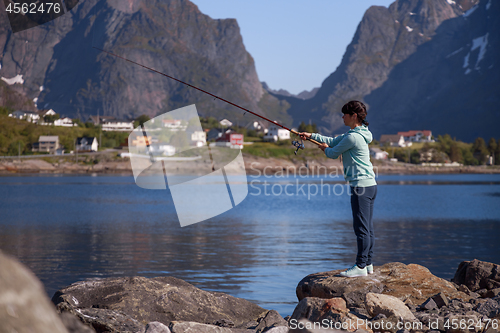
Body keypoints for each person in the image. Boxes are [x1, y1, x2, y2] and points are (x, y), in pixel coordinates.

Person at [299, 101, 377, 278]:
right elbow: (333, 141)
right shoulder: (360, 133)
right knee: (368, 227)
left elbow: (333, 152)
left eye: (345, 114)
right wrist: (311, 135)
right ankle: (368, 263)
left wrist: (325, 150)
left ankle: (360, 266)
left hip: (361, 187)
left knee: (361, 228)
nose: (342, 117)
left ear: (353, 116)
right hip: (370, 185)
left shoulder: (353, 137)